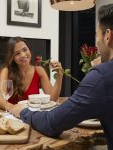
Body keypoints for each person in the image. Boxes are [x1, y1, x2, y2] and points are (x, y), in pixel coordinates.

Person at [12, 4, 113, 149]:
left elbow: (53, 123)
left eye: (97, 35)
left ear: (108, 35)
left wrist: (23, 112)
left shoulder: (102, 76)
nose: (96, 44)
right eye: (17, 53)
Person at [0, 36, 63, 111]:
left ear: (29, 50)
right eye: (17, 53)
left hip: (33, 117)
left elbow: (52, 99)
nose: (23, 55)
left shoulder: (39, 70)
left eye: (25, 50)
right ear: (12, 57)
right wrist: (13, 108)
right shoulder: (6, 71)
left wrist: (59, 76)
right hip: (12, 117)